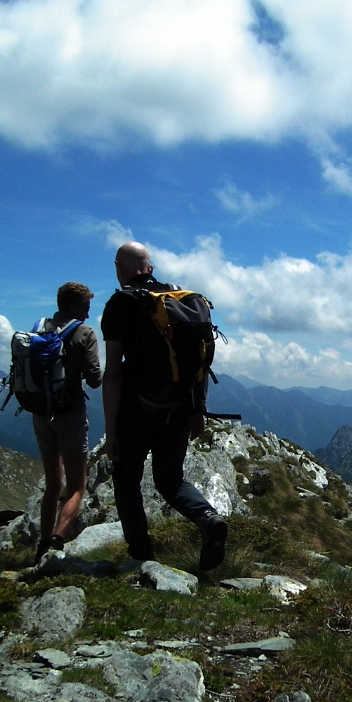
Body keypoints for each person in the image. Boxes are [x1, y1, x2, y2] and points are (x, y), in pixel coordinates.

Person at [101, 241, 228, 569]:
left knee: (127, 481)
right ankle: (208, 518)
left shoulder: (121, 303)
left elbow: (113, 372)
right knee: (170, 479)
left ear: (119, 268)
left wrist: (110, 430)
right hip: (182, 405)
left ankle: (142, 556)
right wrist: (198, 410)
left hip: (137, 409)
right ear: (151, 268)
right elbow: (200, 362)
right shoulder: (183, 300)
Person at [33, 281, 102, 557]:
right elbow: (95, 380)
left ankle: (41, 543)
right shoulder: (84, 333)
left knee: (53, 485)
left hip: (40, 412)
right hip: (70, 415)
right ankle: (57, 541)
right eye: (85, 307)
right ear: (73, 306)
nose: (87, 313)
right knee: (76, 487)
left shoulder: (39, 328)